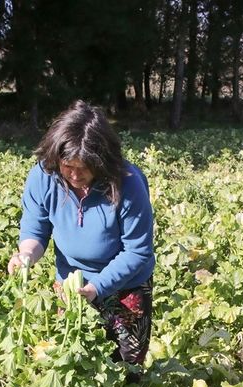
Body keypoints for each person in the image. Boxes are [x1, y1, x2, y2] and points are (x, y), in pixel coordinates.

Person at [8, 100, 156, 367]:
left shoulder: (128, 183)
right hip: (71, 285)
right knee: (74, 358)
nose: (74, 175)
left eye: (84, 167)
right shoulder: (44, 176)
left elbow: (138, 252)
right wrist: (26, 254)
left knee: (126, 363)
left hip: (126, 285)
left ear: (103, 162)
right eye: (68, 166)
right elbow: (35, 227)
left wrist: (97, 287)